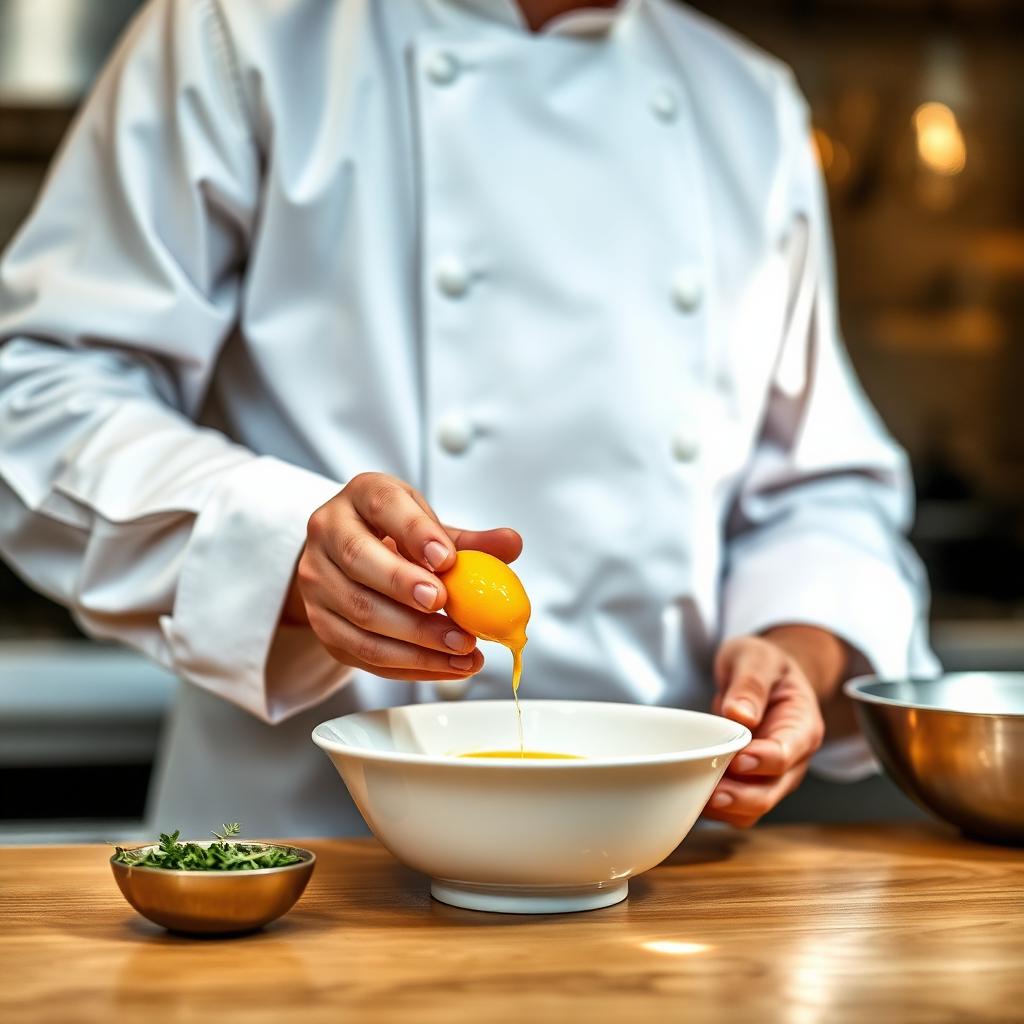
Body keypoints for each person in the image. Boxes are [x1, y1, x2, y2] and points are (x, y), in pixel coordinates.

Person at [0, 0, 937, 836]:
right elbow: (36, 393)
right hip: (307, 867)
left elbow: (817, 491)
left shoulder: (746, 104)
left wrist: (798, 649)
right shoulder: (239, 29)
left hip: (657, 869)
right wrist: (287, 550)